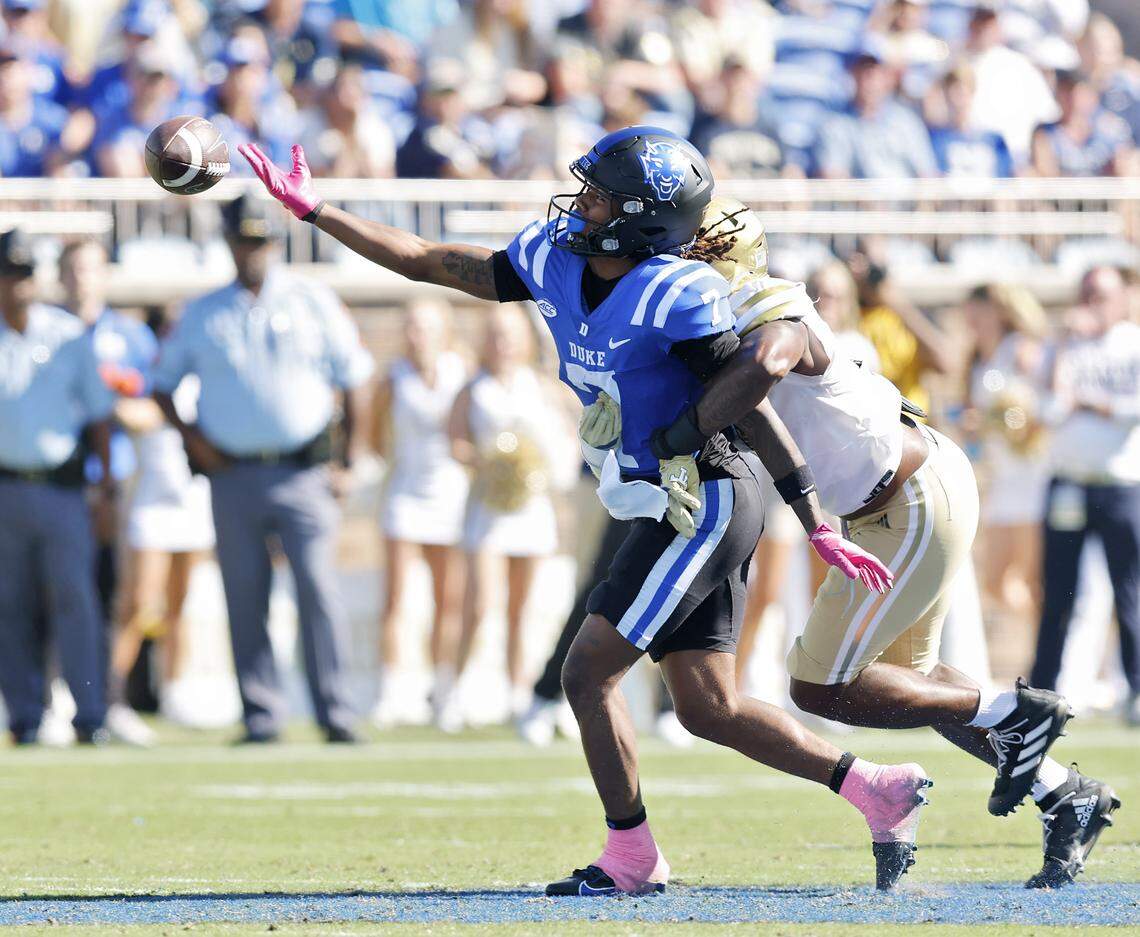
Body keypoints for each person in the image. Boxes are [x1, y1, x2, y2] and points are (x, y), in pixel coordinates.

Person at [239, 127, 928, 897]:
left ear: (639, 217)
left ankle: (631, 856)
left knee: (586, 670)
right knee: (708, 706)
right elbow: (432, 261)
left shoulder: (679, 290)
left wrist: (810, 514)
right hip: (664, 500)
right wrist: (319, 210)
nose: (581, 201)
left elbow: (751, 400)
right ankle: (877, 788)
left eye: (600, 193)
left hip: (706, 496)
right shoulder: (553, 260)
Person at [651, 197, 1120, 890]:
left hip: (909, 496)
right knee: (914, 687)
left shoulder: (769, 305)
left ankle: (1014, 710)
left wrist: (679, 432)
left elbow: (771, 357)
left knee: (821, 684)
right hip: (895, 498)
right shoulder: (724, 316)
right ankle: (1063, 794)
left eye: (690, 254)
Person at [151, 194, 374, 745]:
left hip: (305, 470)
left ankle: (336, 711)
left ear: (276, 244)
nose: (252, 251)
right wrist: (193, 440)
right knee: (244, 594)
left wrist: (351, 459)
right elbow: (161, 386)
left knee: (319, 591)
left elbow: (356, 377)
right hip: (233, 473)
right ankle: (261, 714)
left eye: (261, 241)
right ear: (228, 243)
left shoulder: (312, 300)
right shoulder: (202, 313)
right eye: (243, 240)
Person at [0, 228, 115, 745]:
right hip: (5, 488)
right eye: (9, 274)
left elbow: (98, 418)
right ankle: (25, 715)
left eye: (25, 275)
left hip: (62, 489)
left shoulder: (65, 334)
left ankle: (90, 712)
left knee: (76, 599)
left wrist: (106, 488)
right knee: (10, 603)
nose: (17, 285)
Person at [448, 304, 572, 725]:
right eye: (495, 335)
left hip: (532, 507)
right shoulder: (472, 388)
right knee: (480, 603)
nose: (502, 343)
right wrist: (492, 463)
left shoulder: (540, 387)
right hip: (488, 506)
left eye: (510, 335)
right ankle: (453, 689)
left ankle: (518, 691)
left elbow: (565, 439)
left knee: (523, 607)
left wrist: (532, 465)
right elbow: (457, 443)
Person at [59, 238, 161, 746]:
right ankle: (58, 699)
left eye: (90, 268)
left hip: (114, 479)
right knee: (54, 592)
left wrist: (109, 404)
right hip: (55, 475)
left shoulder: (130, 336)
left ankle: (110, 698)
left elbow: (153, 409)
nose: (81, 278)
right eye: (73, 269)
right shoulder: (45, 331)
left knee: (115, 595)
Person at [1031, 266, 1140, 728]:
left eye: (1102, 294)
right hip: (1068, 481)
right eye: (1087, 292)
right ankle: (1039, 692)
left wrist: (1092, 403)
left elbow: (1131, 407)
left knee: (1128, 590)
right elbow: (1048, 408)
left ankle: (1135, 690)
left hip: (1119, 483)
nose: (1093, 302)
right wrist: (1060, 347)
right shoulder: (1063, 344)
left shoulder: (1131, 343)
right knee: (1057, 593)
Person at [111, 305, 215, 732]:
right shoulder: (148, 381)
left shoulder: (200, 380)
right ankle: (112, 695)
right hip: (153, 504)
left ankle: (175, 690)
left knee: (180, 605)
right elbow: (135, 413)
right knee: (138, 604)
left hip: (193, 503)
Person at [372, 298, 468, 729]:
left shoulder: (461, 371)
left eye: (425, 326)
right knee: (395, 598)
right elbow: (375, 438)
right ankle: (391, 691)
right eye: (410, 326)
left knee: (447, 600)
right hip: (405, 496)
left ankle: (442, 690)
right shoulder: (392, 378)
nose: (416, 335)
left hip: (452, 496)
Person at [960, 283, 1050, 621]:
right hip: (1001, 476)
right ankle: (1049, 638)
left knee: (1032, 578)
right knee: (995, 580)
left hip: (1031, 472)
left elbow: (1037, 404)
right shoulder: (977, 360)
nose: (972, 319)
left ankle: (1046, 654)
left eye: (978, 310)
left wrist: (995, 420)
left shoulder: (1020, 349)